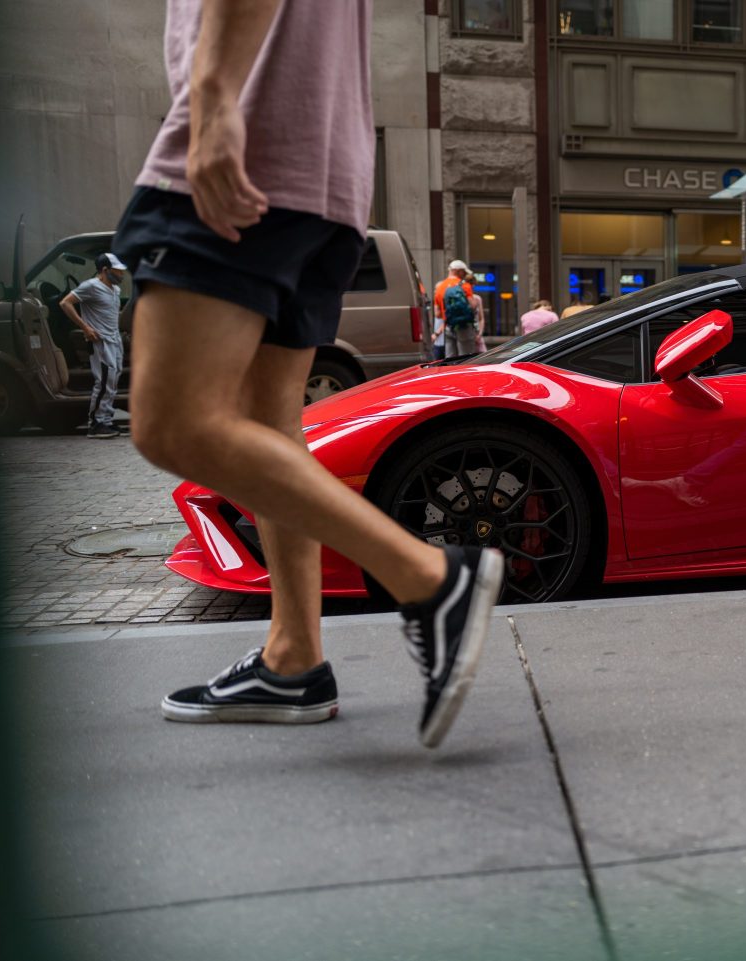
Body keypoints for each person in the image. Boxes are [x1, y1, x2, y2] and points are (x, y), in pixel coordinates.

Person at [113, 0, 504, 748]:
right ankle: (294, 656)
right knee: (267, 429)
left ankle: (431, 578)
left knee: (172, 422)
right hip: (325, 178)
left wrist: (216, 97)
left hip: (251, 146)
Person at [59, 253, 129, 438]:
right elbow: (65, 303)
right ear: (105, 270)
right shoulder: (90, 286)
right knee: (104, 381)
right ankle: (95, 424)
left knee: (112, 381)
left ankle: (106, 420)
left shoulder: (116, 289)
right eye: (118, 271)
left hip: (115, 340)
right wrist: (85, 327)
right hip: (100, 341)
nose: (122, 275)